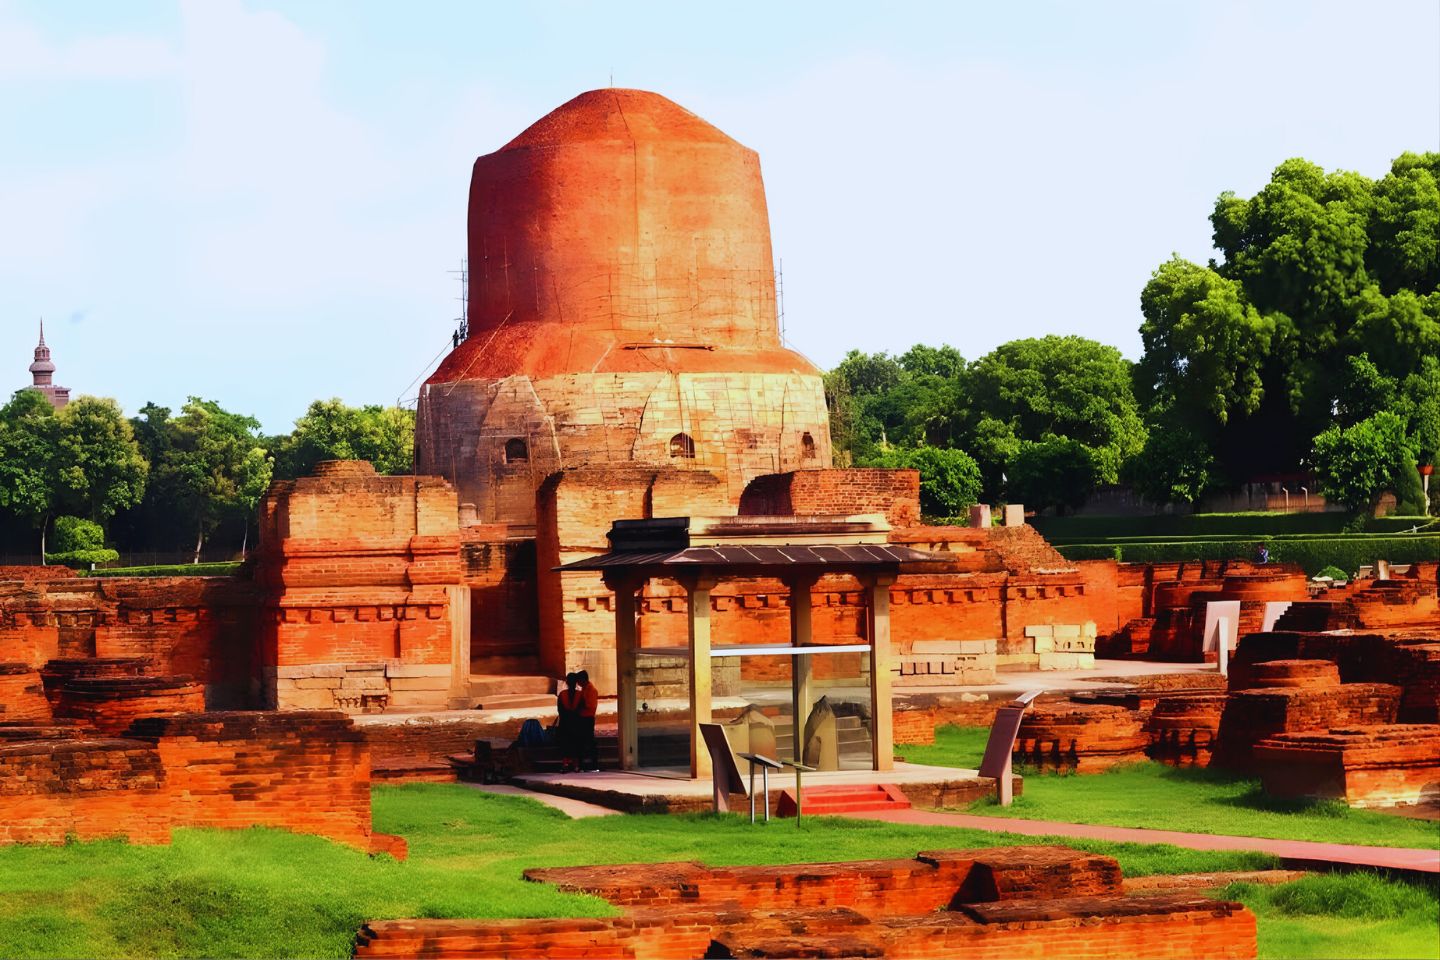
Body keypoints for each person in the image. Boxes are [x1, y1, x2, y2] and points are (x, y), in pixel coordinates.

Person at [555, 672, 583, 772]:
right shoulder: (580, 695)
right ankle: (576, 765)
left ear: (566, 682)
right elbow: (582, 710)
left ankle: (566, 764)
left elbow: (560, 710)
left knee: (565, 744)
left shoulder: (562, 695)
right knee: (576, 744)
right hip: (577, 723)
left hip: (565, 723)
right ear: (576, 683)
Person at [575, 669, 600, 771]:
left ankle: (594, 763)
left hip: (588, 718)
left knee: (589, 741)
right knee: (581, 741)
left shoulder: (592, 690)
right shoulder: (584, 689)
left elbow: (590, 705)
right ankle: (582, 763)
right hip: (582, 718)